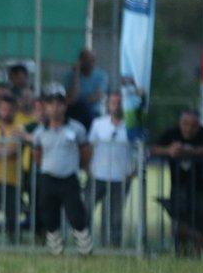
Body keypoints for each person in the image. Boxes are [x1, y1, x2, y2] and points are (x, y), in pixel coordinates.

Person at [31, 88, 92, 255]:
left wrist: (79, 166)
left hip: (69, 178)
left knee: (76, 214)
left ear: (65, 106)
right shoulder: (39, 132)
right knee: (49, 214)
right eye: (51, 104)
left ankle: (85, 248)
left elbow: (85, 152)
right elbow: (37, 155)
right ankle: (56, 249)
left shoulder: (77, 128)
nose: (55, 107)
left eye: (59, 104)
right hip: (48, 178)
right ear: (45, 107)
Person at [150, 108, 203, 255]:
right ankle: (188, 248)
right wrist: (168, 150)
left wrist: (189, 152)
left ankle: (196, 253)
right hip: (178, 188)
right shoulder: (172, 134)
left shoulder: (202, 134)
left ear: (198, 125)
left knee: (199, 222)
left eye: (193, 125)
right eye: (185, 124)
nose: (188, 128)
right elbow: (153, 149)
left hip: (200, 189)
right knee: (178, 223)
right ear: (180, 123)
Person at [87, 91, 132, 248]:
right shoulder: (98, 124)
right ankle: (84, 243)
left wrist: (132, 173)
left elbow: (140, 152)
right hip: (98, 175)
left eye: (119, 102)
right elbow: (89, 148)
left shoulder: (131, 126)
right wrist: (88, 168)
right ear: (108, 104)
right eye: (113, 102)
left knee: (114, 217)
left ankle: (112, 247)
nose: (116, 105)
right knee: (86, 209)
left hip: (120, 178)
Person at [0, 92, 33, 242]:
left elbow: (13, 152)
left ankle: (13, 241)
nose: (6, 112)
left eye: (9, 109)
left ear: (14, 110)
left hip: (12, 179)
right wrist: (4, 150)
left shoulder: (18, 130)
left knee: (12, 213)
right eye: (3, 108)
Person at [65, 49, 108, 129]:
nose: (90, 63)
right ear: (80, 60)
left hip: (93, 112)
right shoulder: (71, 76)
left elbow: (95, 98)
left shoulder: (101, 76)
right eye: (87, 60)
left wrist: (80, 100)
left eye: (92, 60)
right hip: (74, 112)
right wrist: (76, 75)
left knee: (84, 108)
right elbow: (71, 99)